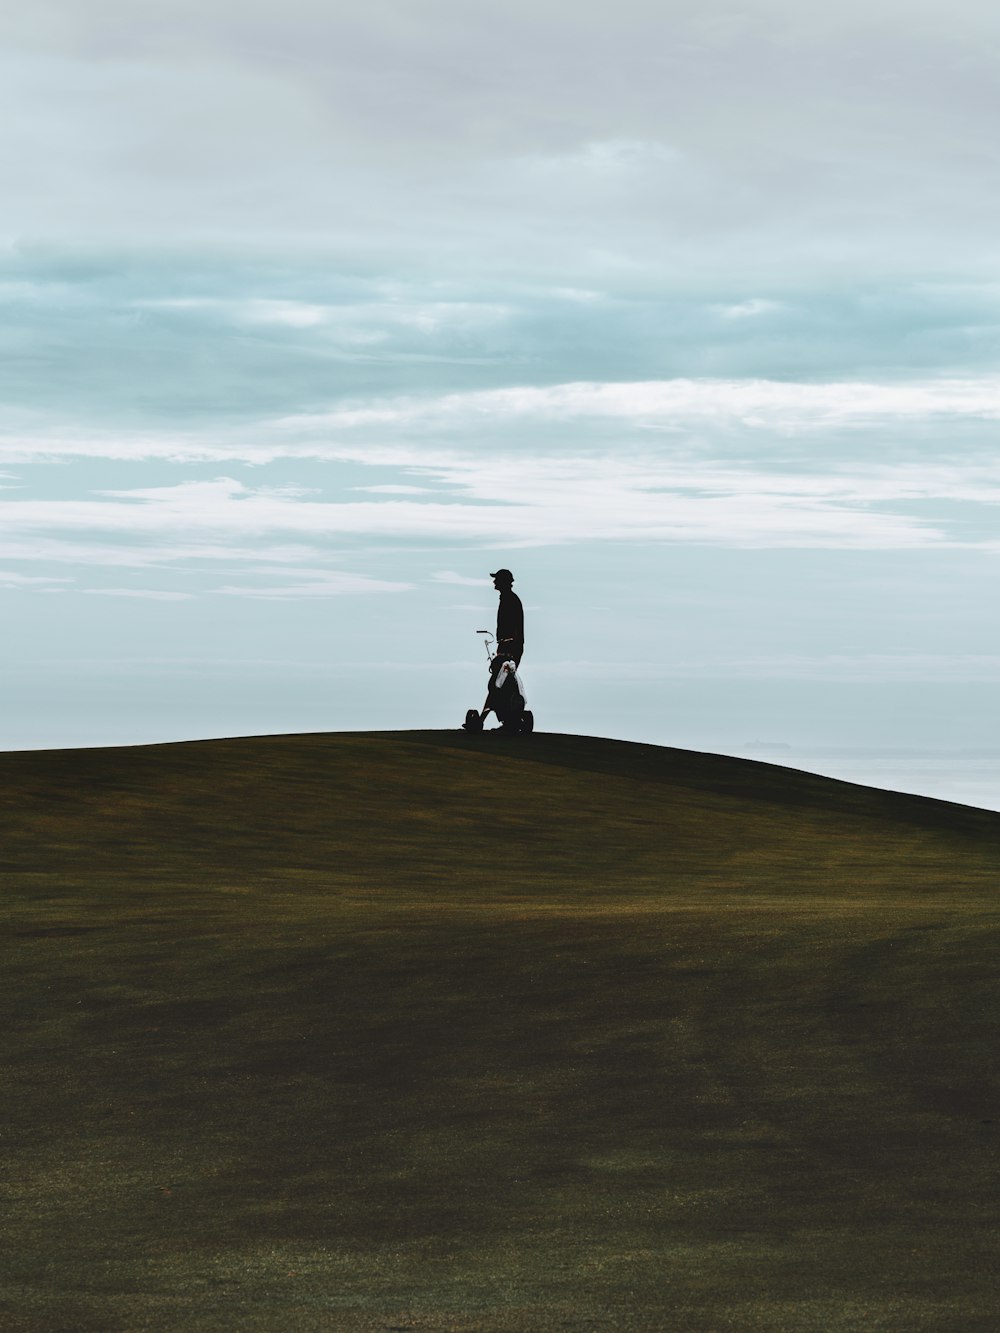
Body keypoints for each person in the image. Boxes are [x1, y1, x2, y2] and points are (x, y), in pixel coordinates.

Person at [490, 568, 523, 666]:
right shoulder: (507, 598)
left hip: (510, 648)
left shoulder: (510, 600)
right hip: (506, 646)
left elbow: (515, 629)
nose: (494, 581)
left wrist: (508, 648)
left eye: (497, 579)